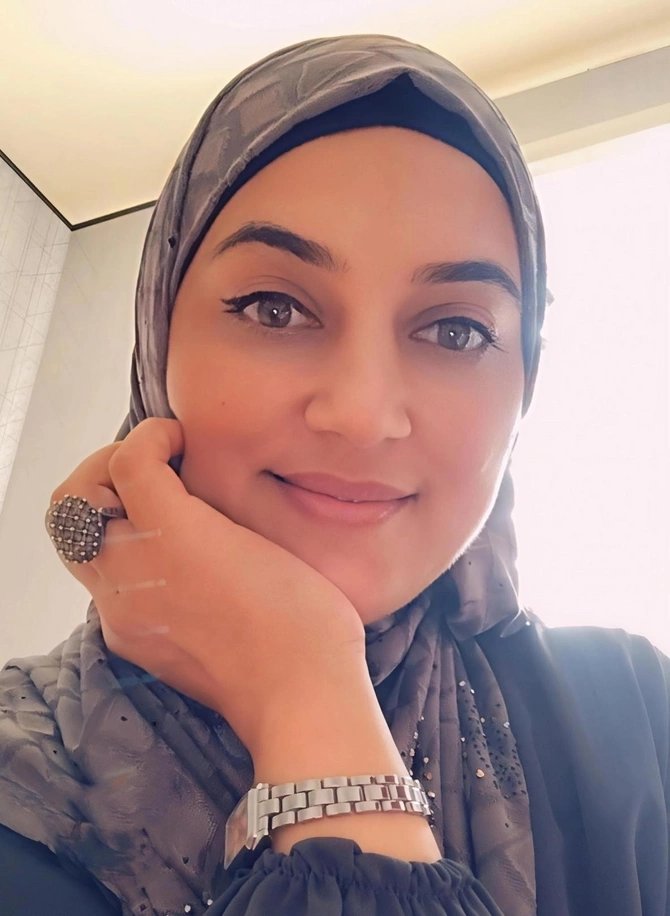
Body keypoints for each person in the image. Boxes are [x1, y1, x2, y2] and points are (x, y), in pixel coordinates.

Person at [0, 33, 667, 916]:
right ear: (159, 343)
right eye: (275, 308)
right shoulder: (20, 779)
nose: (361, 413)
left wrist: (305, 693)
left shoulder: (634, 720)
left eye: (457, 330)